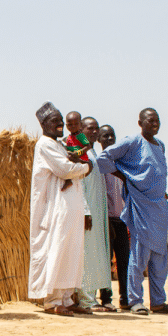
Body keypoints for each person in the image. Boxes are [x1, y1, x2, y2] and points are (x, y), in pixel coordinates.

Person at [94, 108, 168, 315]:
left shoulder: (160, 145)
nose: (154, 124)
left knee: (159, 257)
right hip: (140, 206)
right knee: (138, 254)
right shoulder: (132, 142)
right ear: (140, 123)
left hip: (159, 208)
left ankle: (158, 301)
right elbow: (104, 159)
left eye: (157, 120)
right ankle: (136, 300)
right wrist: (127, 177)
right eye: (150, 120)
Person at [28, 102, 93, 316]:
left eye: (60, 120)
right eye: (54, 121)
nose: (59, 124)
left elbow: (78, 160)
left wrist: (82, 166)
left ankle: (66, 298)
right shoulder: (45, 144)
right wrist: (87, 167)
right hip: (54, 208)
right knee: (57, 251)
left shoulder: (62, 144)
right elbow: (66, 169)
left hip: (70, 207)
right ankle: (52, 301)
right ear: (44, 124)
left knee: (71, 252)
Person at [64, 114, 113, 312]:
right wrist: (85, 211)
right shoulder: (77, 150)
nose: (94, 132)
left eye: (96, 128)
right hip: (87, 212)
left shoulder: (92, 152)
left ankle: (90, 298)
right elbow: (78, 183)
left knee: (94, 256)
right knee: (86, 255)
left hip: (97, 211)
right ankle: (86, 300)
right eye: (89, 129)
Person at [98, 124, 130, 310]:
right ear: (99, 140)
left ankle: (125, 298)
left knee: (124, 261)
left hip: (122, 220)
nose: (109, 139)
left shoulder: (122, 163)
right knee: (105, 261)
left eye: (112, 136)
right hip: (106, 220)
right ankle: (106, 298)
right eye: (105, 136)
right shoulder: (99, 164)